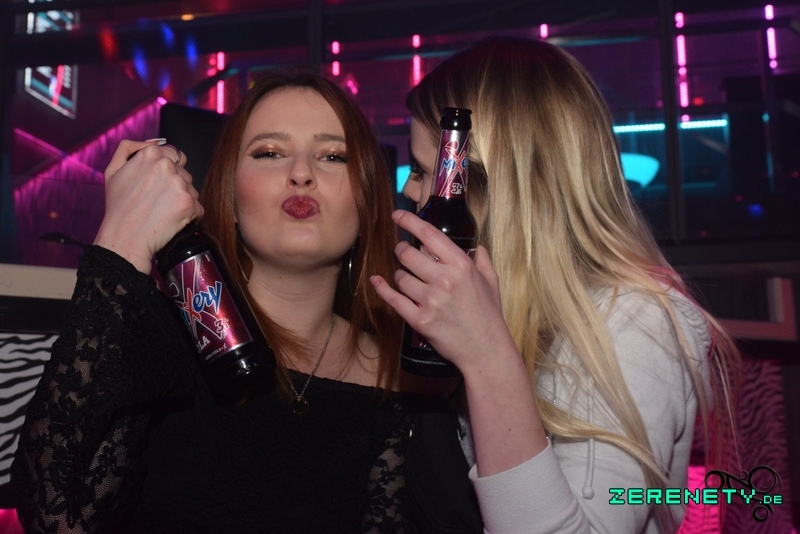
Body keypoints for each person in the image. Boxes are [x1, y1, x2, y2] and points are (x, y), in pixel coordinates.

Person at [12, 69, 416, 532]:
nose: (301, 173)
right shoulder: (157, 339)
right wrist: (122, 242)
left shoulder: (399, 378)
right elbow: (53, 514)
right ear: (229, 192)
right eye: (269, 152)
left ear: (368, 199)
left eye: (332, 156)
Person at [371, 36, 740, 533]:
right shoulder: (499, 305)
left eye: (422, 171)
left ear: (502, 185)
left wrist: (487, 359)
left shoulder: (632, 321)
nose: (409, 190)